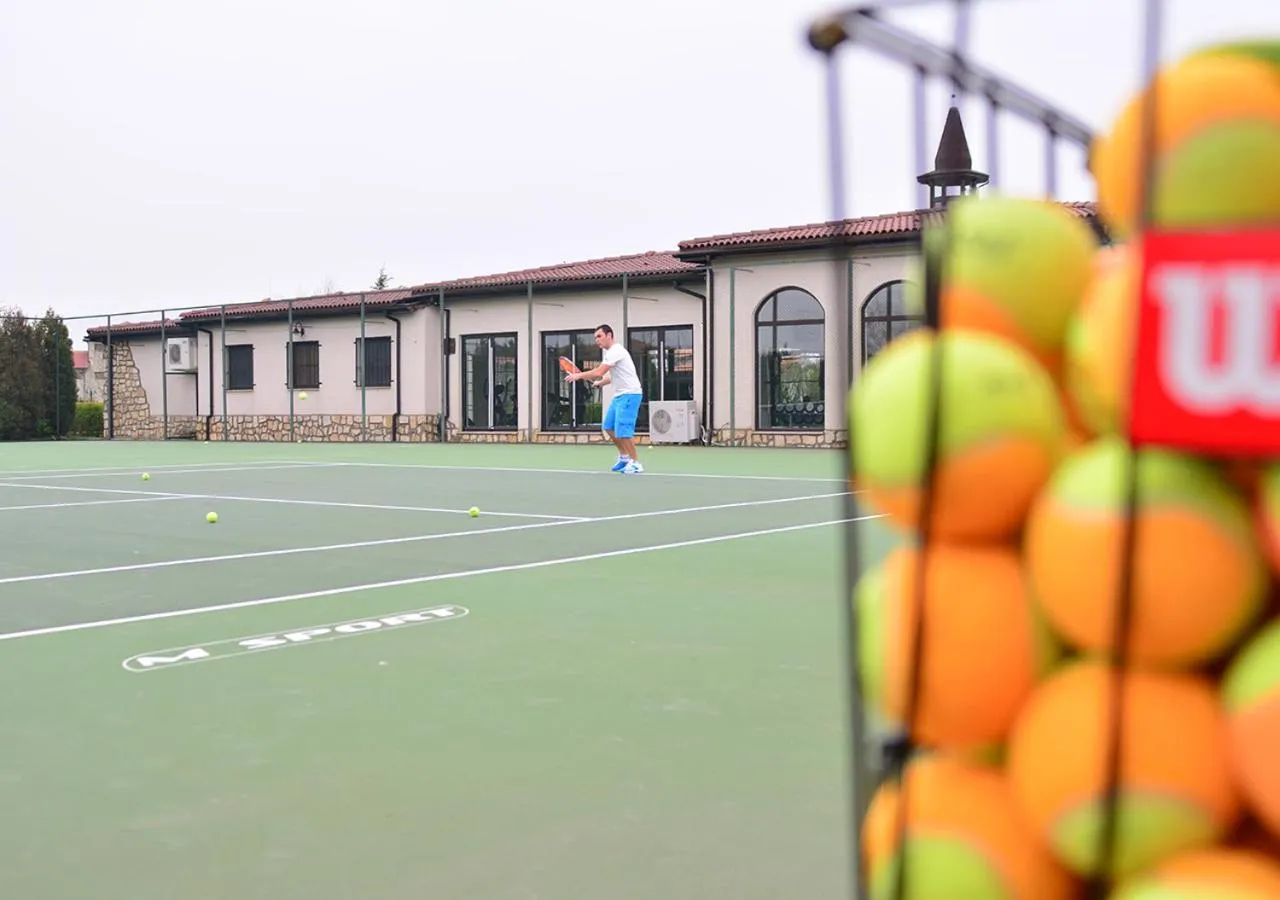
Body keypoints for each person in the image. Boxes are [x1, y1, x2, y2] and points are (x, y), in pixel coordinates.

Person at [564, 323, 644, 474]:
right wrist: (600, 383)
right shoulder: (610, 354)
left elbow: (599, 371)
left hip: (630, 394)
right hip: (619, 395)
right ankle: (624, 457)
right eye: (595, 338)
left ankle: (636, 463)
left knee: (623, 431)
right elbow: (610, 376)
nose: (597, 340)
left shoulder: (616, 351)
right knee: (608, 426)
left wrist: (578, 376)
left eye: (599, 336)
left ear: (609, 335)